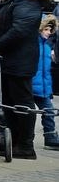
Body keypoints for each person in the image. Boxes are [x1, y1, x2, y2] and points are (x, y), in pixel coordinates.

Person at [0, 0, 53, 158]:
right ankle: (12, 142)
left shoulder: (26, 2)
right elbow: (2, 22)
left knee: (22, 103)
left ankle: (26, 145)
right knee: (8, 103)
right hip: (6, 60)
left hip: (20, 61)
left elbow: (19, 31)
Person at [33, 16, 58, 151]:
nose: (49, 32)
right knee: (27, 114)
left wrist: (48, 90)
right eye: (46, 29)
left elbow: (46, 71)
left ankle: (50, 137)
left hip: (43, 87)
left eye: (50, 29)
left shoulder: (47, 47)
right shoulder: (33, 45)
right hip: (30, 86)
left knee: (49, 112)